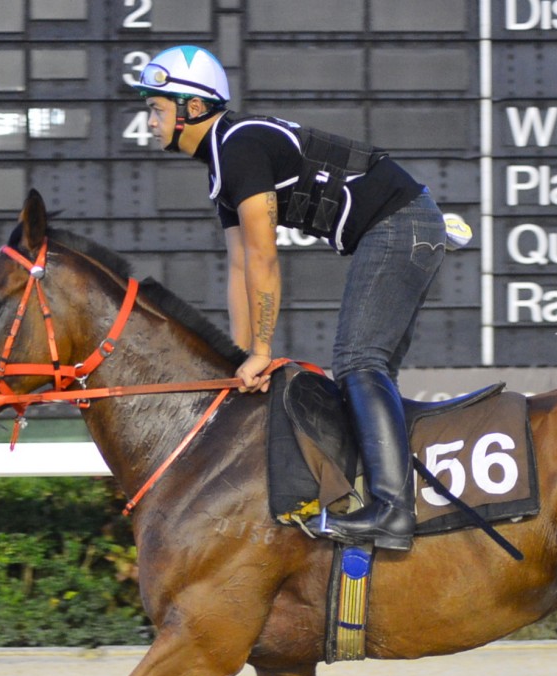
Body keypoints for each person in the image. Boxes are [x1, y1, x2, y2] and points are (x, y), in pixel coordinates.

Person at [135, 45, 447, 552]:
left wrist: (261, 349)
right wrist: (240, 362)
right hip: (407, 224)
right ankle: (385, 495)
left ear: (192, 109)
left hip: (401, 224)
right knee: (368, 368)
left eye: (157, 107)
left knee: (357, 362)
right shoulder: (222, 167)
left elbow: (263, 258)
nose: (149, 119)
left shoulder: (237, 146)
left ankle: (392, 511)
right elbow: (238, 269)